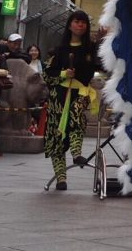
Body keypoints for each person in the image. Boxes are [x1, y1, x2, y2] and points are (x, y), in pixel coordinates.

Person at [42, 13, 99, 190]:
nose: (80, 25)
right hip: (59, 94)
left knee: (76, 113)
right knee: (57, 134)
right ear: (70, 25)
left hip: (81, 91)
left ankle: (76, 153)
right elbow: (47, 75)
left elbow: (105, 64)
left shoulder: (92, 49)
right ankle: (61, 178)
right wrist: (63, 74)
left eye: (84, 23)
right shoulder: (58, 51)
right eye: (77, 22)